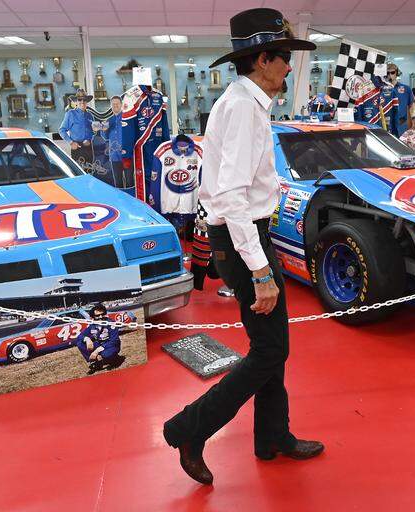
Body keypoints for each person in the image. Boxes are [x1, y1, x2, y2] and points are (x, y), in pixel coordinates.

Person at [162, 8, 324, 486]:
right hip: (240, 240)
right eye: (285, 59)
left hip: (243, 235)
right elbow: (232, 197)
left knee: (273, 346)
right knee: (271, 350)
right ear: (263, 60)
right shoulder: (240, 107)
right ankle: (189, 429)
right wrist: (259, 270)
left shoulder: (246, 102)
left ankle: (273, 437)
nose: (289, 68)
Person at [75, 303, 126, 375]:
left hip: (111, 345)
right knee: (80, 343)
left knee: (106, 354)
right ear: (92, 317)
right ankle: (94, 363)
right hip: (99, 344)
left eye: (102, 314)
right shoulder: (92, 325)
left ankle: (115, 359)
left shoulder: (111, 323)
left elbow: (114, 340)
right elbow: (80, 336)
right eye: (97, 315)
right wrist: (87, 339)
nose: (101, 317)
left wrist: (96, 351)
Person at [101, 94, 133, 192]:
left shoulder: (128, 118)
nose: (115, 106)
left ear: (121, 104)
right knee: (117, 183)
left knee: (129, 181)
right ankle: (120, 204)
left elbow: (132, 135)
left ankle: (131, 203)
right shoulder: (108, 121)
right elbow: (105, 137)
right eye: (113, 104)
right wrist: (104, 130)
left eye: (117, 104)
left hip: (127, 155)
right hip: (114, 156)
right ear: (111, 106)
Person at [58, 90, 95, 167]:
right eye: (79, 99)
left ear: (87, 101)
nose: (82, 101)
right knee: (79, 173)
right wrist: (71, 142)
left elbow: (92, 132)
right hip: (77, 147)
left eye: (84, 99)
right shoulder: (71, 114)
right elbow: (62, 130)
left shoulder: (90, 115)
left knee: (90, 172)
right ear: (76, 102)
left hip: (89, 148)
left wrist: (89, 139)